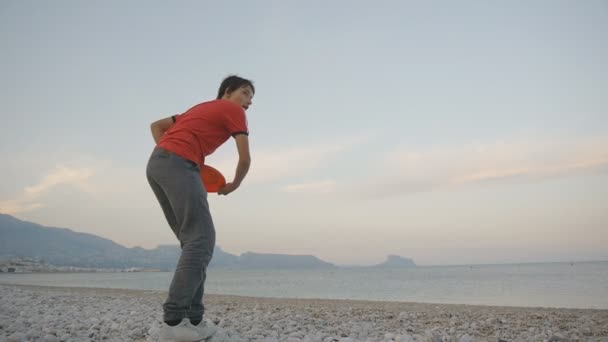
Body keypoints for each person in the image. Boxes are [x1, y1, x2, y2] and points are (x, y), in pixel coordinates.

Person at [146, 75, 254, 341]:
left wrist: (168, 151)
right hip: (179, 164)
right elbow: (245, 158)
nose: (249, 101)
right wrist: (233, 185)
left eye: (251, 98)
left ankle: (193, 319)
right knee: (201, 240)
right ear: (228, 92)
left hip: (158, 164)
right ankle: (173, 322)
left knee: (193, 242)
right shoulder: (232, 110)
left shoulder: (199, 108)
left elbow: (156, 126)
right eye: (245, 93)